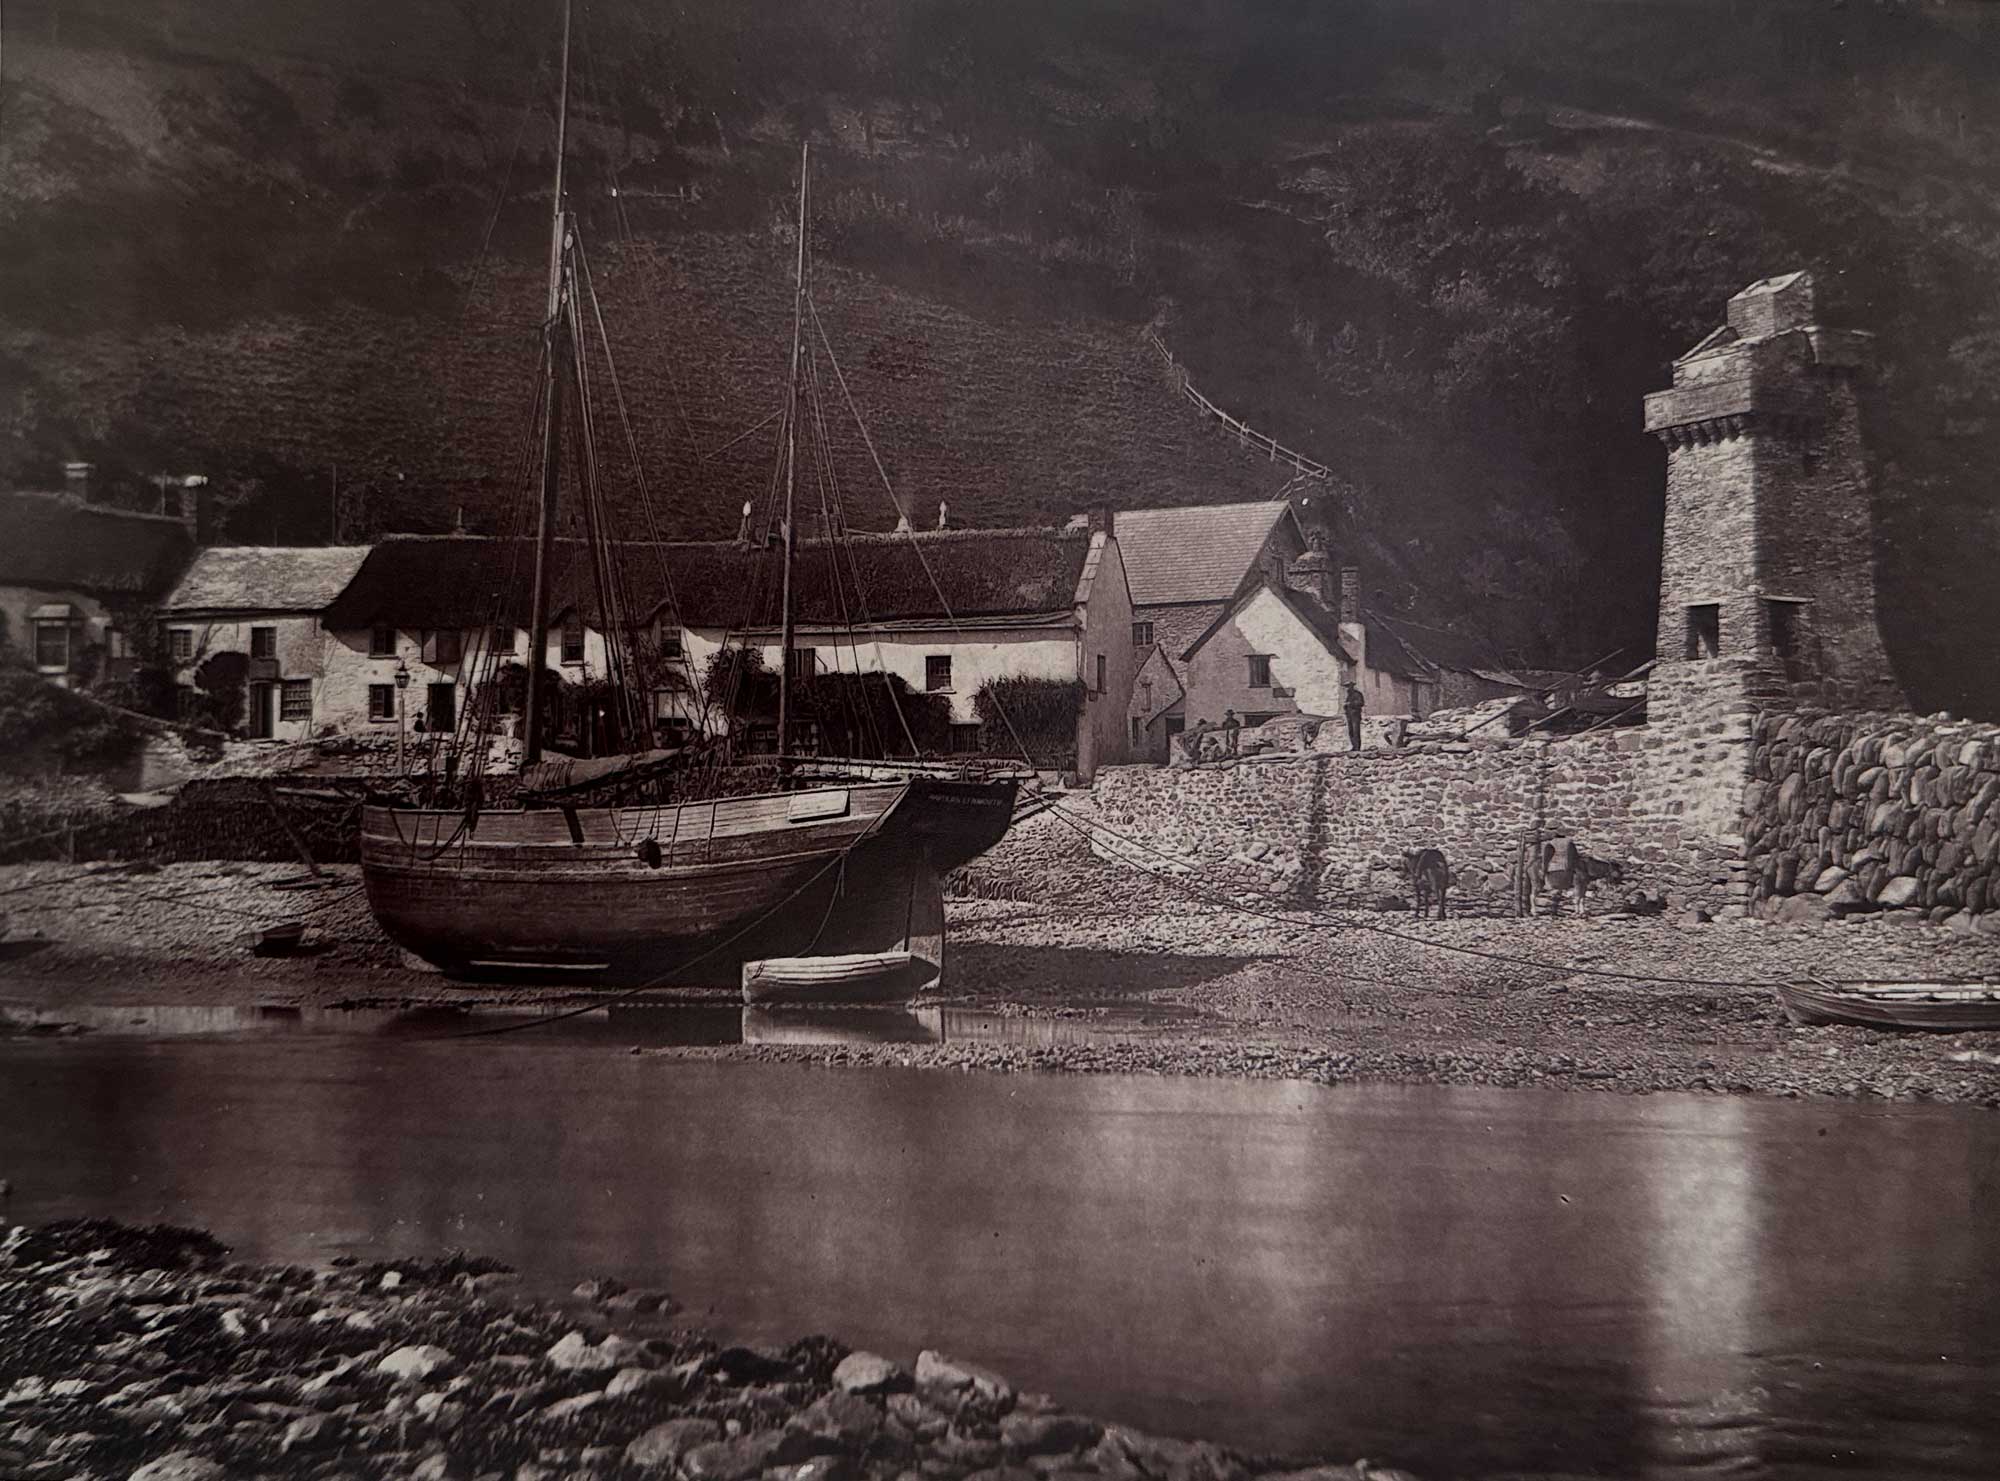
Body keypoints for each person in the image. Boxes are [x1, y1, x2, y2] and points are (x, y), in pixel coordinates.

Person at [1343, 682, 1364, 751]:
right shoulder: (1348, 696)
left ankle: (1357, 747)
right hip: (1349, 716)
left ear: (1352, 687)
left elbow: (1361, 703)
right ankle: (1354, 746)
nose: (1347, 688)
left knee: (1356, 731)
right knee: (1351, 732)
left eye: (1349, 686)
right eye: (1347, 687)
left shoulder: (1357, 694)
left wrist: (1350, 704)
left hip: (1355, 715)